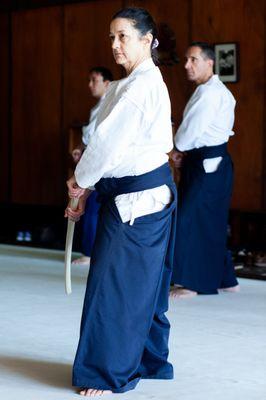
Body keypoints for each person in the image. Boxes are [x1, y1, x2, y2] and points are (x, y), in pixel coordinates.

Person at [65, 7, 177, 396]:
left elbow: (106, 147)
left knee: (115, 286)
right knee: (142, 284)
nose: (114, 44)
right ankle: (146, 361)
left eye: (123, 36)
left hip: (139, 200)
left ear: (147, 40)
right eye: (111, 36)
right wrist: (84, 185)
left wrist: (79, 184)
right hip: (138, 195)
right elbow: (106, 147)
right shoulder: (133, 83)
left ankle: (106, 372)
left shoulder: (140, 86)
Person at [170, 42, 239, 298]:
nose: (187, 65)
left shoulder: (211, 93)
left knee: (190, 220)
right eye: (187, 60)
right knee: (210, 220)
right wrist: (184, 151)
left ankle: (193, 282)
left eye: (193, 60)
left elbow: (189, 134)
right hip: (208, 162)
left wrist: (178, 148)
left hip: (208, 164)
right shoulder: (210, 90)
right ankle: (226, 278)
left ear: (210, 62)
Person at [71, 67, 113, 265]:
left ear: (107, 83)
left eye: (94, 80)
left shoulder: (111, 105)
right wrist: (80, 148)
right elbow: (88, 137)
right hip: (90, 159)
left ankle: (91, 253)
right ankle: (89, 250)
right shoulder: (97, 107)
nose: (90, 85)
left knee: (93, 207)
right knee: (88, 206)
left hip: (100, 164)